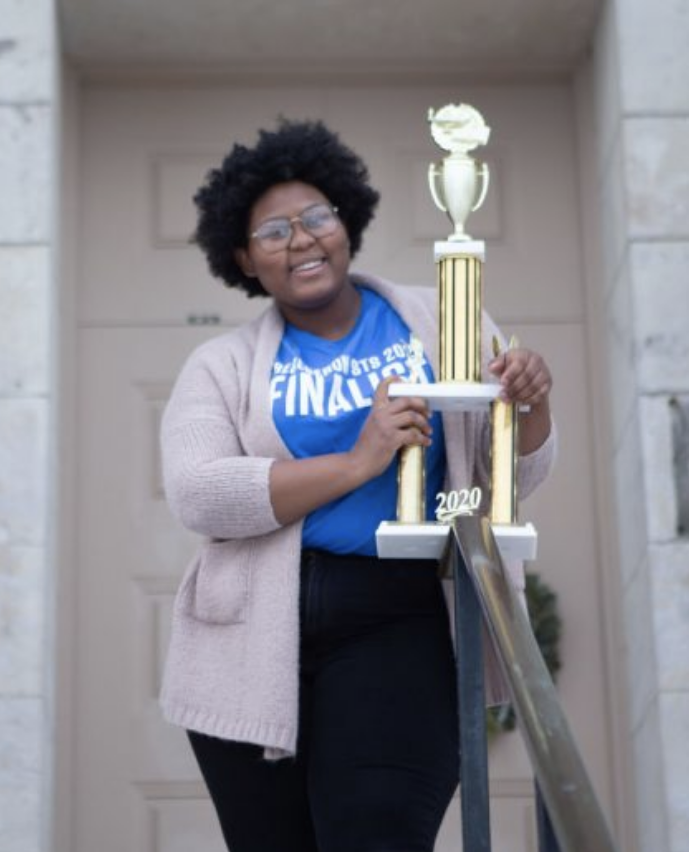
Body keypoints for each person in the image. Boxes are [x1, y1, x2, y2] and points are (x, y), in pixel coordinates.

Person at [158, 119, 556, 852]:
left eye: (316, 216)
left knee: (378, 832)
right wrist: (356, 462)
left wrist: (531, 406)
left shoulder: (443, 320)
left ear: (347, 221)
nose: (301, 240)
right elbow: (199, 493)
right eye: (272, 231)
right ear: (243, 258)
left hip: (397, 618)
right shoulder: (221, 364)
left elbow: (517, 474)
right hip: (248, 642)